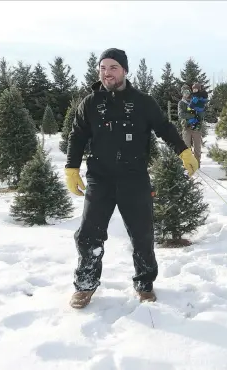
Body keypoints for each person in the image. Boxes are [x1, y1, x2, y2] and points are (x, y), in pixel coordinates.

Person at [64, 48, 199, 309]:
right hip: (99, 179)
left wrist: (183, 150)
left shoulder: (142, 102)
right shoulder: (90, 104)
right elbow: (77, 136)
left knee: (142, 235)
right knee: (88, 235)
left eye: (113, 67)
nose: (107, 73)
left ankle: (145, 283)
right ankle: (85, 285)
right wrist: (71, 167)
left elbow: (164, 128)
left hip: (134, 178)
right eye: (103, 68)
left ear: (125, 70)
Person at [178, 83, 208, 167]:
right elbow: (181, 114)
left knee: (197, 147)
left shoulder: (195, 100)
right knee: (186, 147)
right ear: (182, 93)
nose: (186, 94)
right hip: (186, 128)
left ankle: (197, 164)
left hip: (197, 128)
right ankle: (188, 164)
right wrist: (193, 115)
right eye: (184, 92)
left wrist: (199, 113)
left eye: (188, 92)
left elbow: (202, 113)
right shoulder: (181, 103)